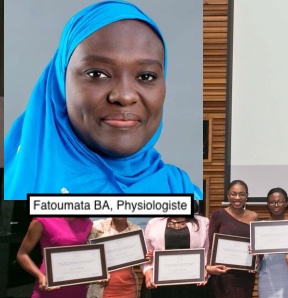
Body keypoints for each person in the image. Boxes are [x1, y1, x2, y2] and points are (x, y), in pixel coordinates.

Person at [3, 0, 200, 199]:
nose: (124, 96)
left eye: (146, 76)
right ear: (60, 84)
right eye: (97, 74)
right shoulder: (15, 193)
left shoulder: (182, 193)